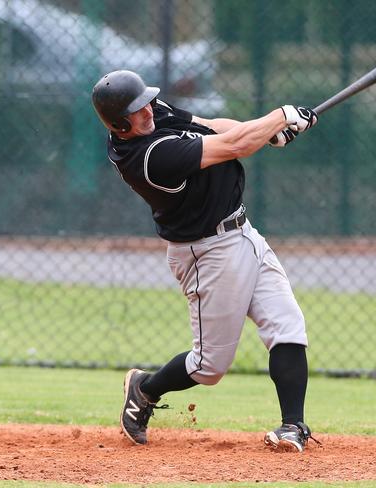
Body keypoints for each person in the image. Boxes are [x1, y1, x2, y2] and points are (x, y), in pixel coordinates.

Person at [91, 69, 319, 452]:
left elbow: (214, 127)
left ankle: (291, 426)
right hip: (207, 253)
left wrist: (266, 132)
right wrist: (279, 117)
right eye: (137, 110)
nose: (148, 110)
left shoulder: (150, 113)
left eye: (146, 102)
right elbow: (233, 148)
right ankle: (144, 390)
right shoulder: (149, 157)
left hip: (243, 233)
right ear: (119, 124)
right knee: (208, 367)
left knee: (287, 326)